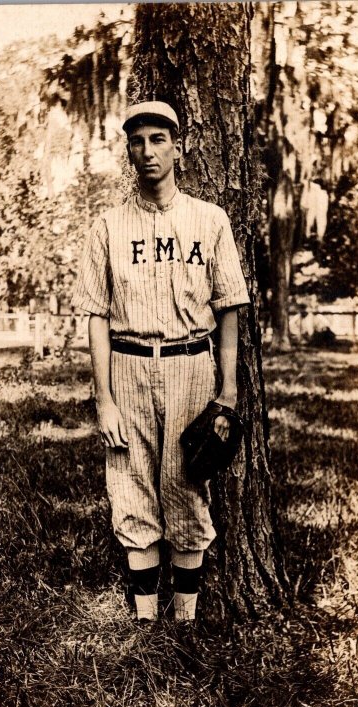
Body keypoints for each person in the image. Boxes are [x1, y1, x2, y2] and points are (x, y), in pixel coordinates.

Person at [72, 100, 250, 625]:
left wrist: (229, 389)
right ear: (128, 150)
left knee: (187, 486)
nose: (147, 151)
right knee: (130, 487)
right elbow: (97, 318)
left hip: (191, 364)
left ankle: (186, 623)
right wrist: (104, 400)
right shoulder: (107, 226)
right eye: (137, 141)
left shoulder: (209, 219)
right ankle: (146, 624)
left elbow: (229, 309)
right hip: (127, 366)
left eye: (157, 139)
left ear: (179, 146)